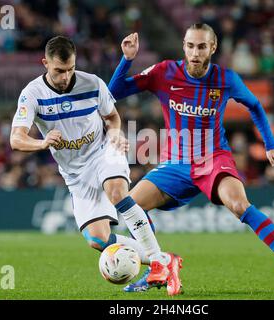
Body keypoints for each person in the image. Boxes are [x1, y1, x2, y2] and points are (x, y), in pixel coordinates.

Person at [109, 24, 274, 292]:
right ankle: (160, 266)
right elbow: (113, 92)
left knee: (239, 205)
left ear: (213, 48)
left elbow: (254, 105)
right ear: (184, 46)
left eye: (202, 46)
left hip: (213, 159)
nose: (195, 53)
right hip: (176, 163)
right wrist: (127, 59)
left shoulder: (226, 79)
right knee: (131, 207)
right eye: (191, 46)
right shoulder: (164, 72)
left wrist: (270, 145)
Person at [10, 36, 182, 296]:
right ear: (45, 63)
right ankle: (166, 260)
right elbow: (16, 139)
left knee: (116, 192)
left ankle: (157, 262)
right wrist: (42, 143)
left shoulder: (92, 83)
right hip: (76, 175)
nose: (66, 77)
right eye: (59, 71)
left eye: (70, 69)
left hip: (103, 152)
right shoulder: (32, 94)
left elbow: (112, 117)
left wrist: (114, 132)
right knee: (98, 240)